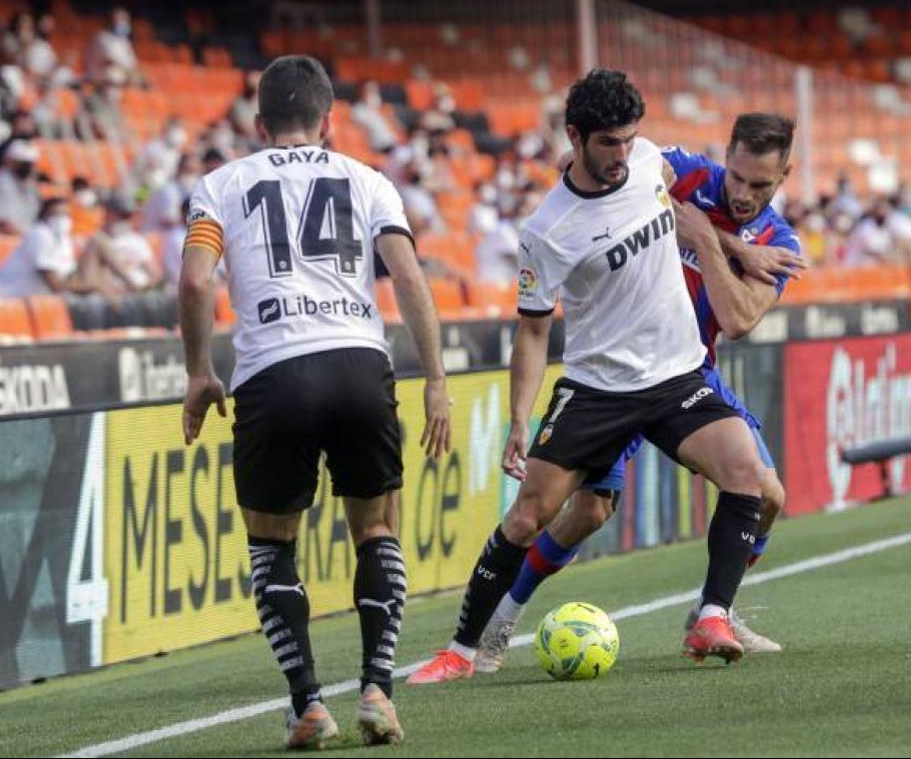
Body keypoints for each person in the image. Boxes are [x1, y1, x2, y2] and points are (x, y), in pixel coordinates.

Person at [407, 69, 771, 686]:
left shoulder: (651, 161)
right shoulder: (547, 232)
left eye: (629, 139)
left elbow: (708, 200)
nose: (622, 155)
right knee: (529, 516)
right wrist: (520, 418)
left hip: (678, 375)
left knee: (749, 477)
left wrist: (743, 251)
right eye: (608, 142)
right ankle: (462, 652)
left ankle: (712, 616)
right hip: (598, 388)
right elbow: (531, 330)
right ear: (576, 137)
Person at [178, 54, 450, 750]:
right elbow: (409, 275)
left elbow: (194, 279)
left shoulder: (221, 184)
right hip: (360, 362)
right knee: (377, 528)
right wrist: (437, 380)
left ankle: (307, 704)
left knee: (272, 545)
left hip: (273, 370)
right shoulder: (367, 180)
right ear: (328, 121)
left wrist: (198, 372)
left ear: (260, 123)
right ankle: (378, 691)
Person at [473, 112, 810, 673]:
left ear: (785, 175)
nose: (745, 194)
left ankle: (712, 611)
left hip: (688, 372)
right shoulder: (684, 172)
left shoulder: (778, 241)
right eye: (739, 177)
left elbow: (737, 316)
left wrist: (706, 237)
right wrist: (728, 244)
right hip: (615, 367)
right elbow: (575, 169)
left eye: (762, 184)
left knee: (767, 494)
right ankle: (500, 621)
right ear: (725, 154)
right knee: (586, 511)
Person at [0, 198, 95, 297]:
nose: (62, 219)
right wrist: (92, 285)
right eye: (56, 214)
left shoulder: (64, 239)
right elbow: (54, 285)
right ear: (44, 216)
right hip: (11, 297)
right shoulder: (39, 234)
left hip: (39, 299)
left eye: (66, 215)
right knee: (97, 243)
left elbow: (69, 276)